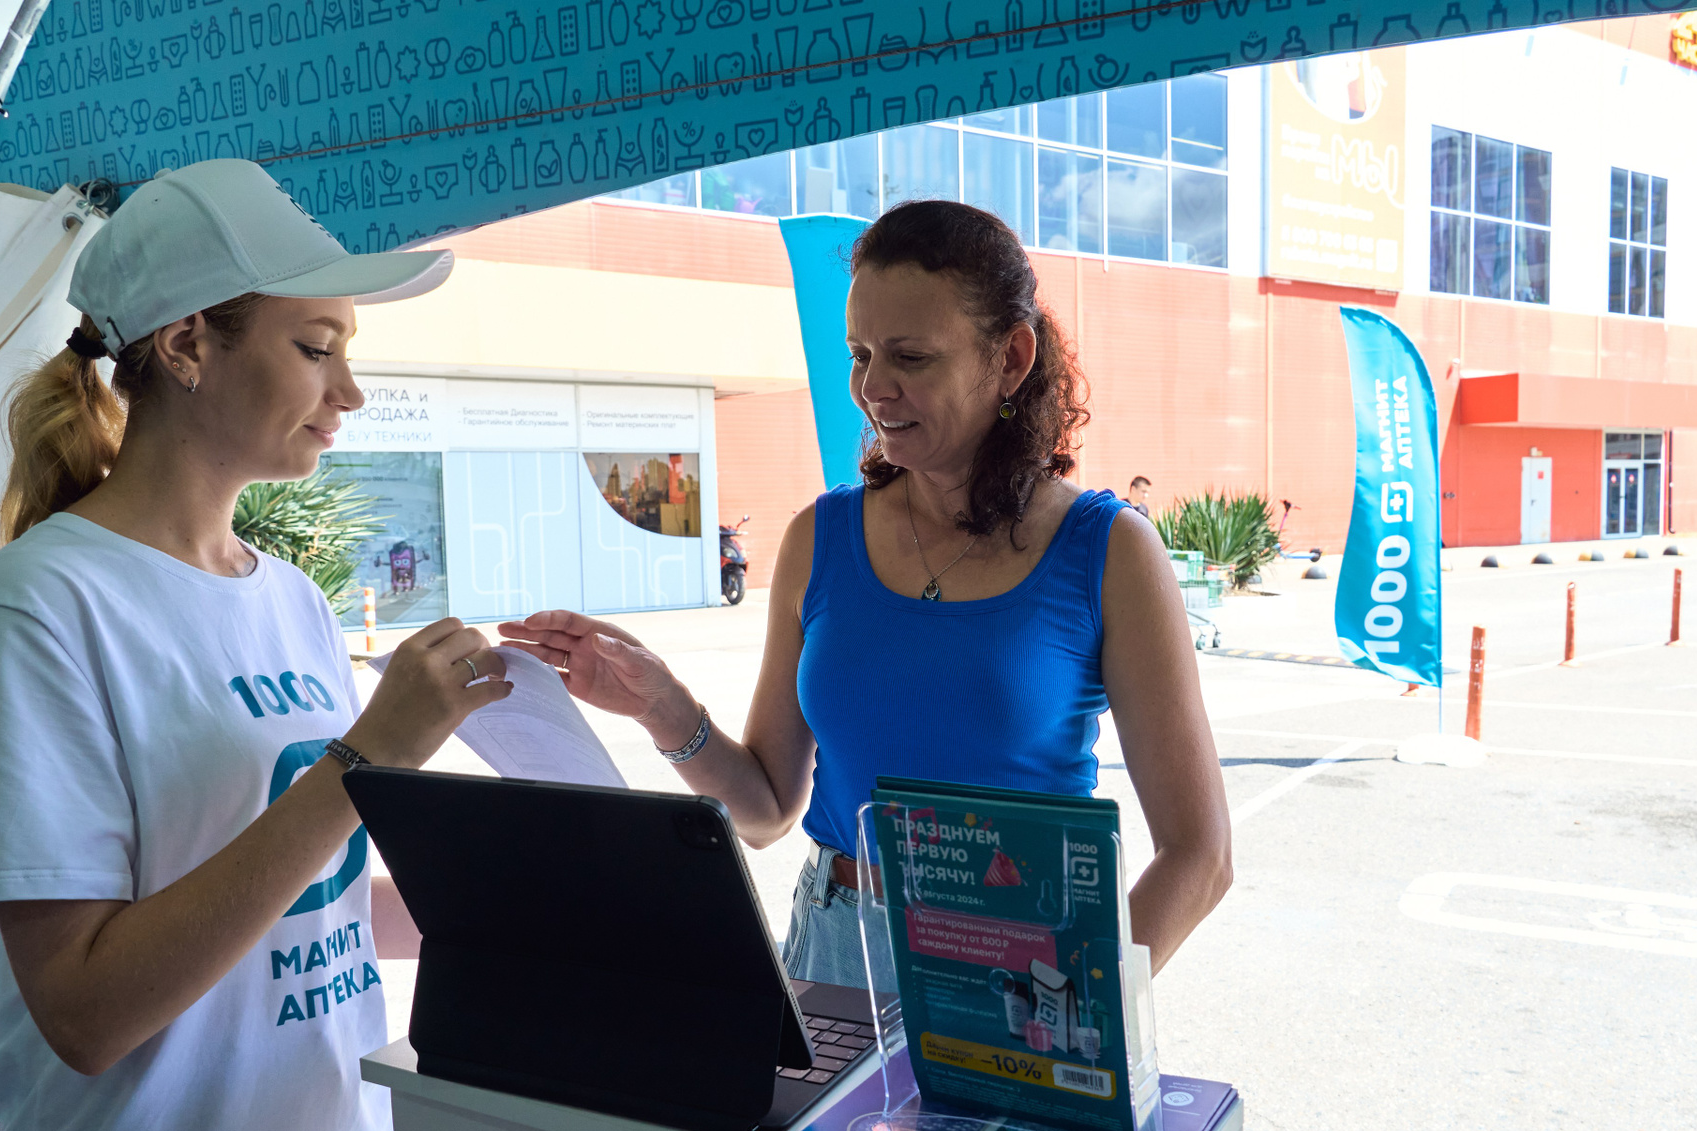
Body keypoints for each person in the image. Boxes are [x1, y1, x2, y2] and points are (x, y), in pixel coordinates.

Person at [0, 159, 512, 1131]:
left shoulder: (291, 599)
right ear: (187, 345)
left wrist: (521, 911)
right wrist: (365, 760)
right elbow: (85, 1010)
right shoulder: (38, 608)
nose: (350, 393)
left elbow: (304, 908)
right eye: (317, 348)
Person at [501, 200, 1231, 984]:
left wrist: (1084, 1003)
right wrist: (661, 706)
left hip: (1025, 964)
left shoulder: (1109, 551)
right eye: (860, 354)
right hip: (836, 948)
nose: (872, 387)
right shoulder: (818, 539)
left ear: (1011, 359)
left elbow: (1200, 855)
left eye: (911, 357)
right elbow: (766, 810)